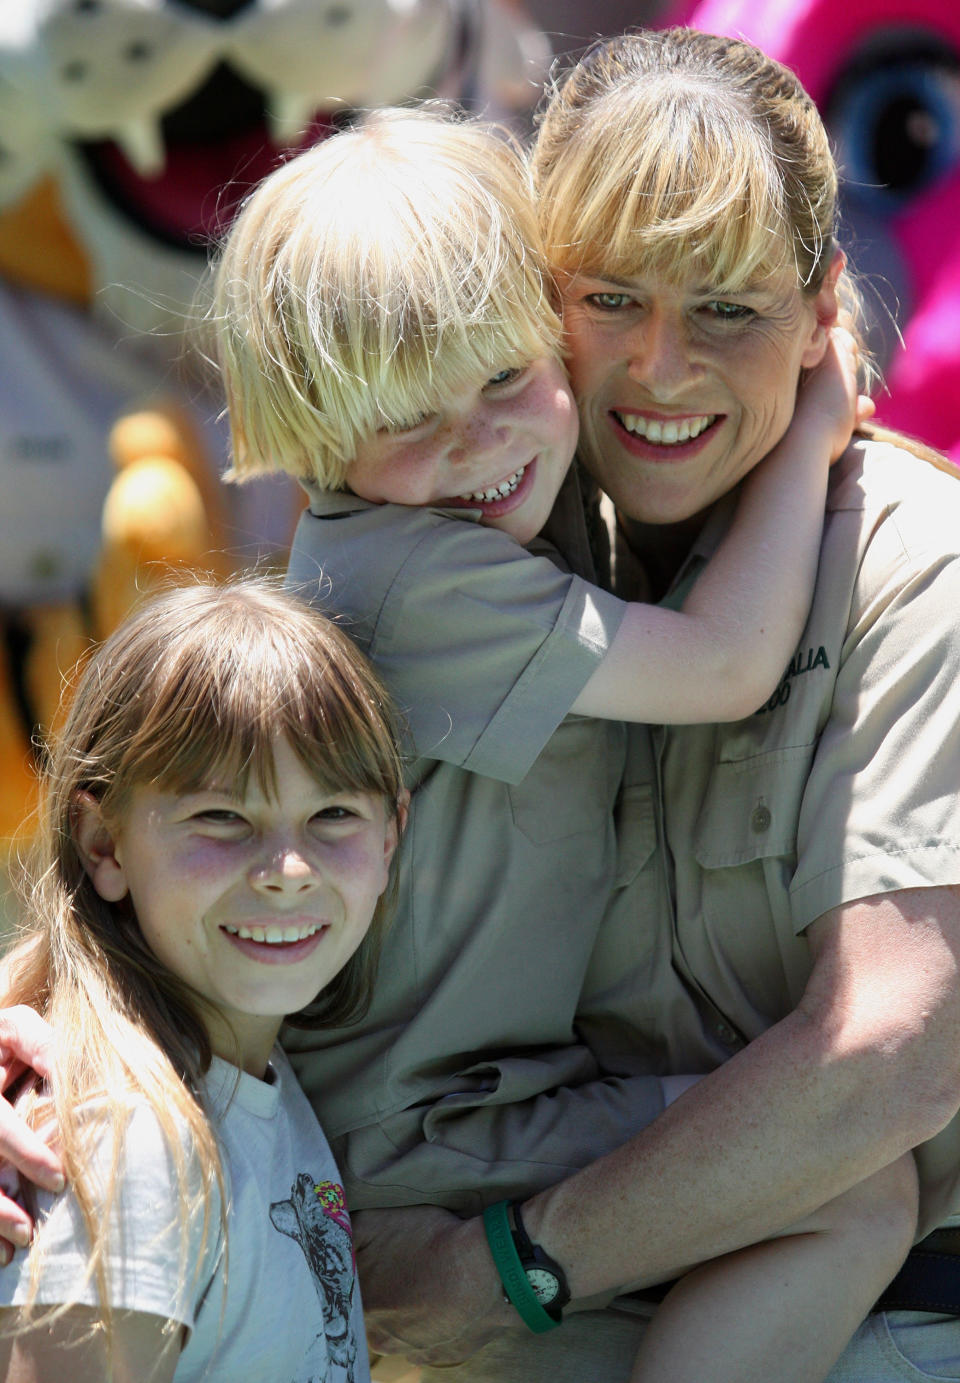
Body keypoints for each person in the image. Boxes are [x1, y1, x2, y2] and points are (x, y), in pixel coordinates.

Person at [0, 61, 943, 1379]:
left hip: (467, 1121)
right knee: (851, 1185)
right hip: (433, 1136)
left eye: (504, 374)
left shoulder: (514, 520)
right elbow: (727, 662)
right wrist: (809, 433)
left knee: (835, 1165)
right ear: (320, 439)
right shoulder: (434, 568)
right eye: (406, 418)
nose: (474, 442)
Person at [0, 579, 406, 1382]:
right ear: (103, 844)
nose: (288, 870)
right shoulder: (129, 1141)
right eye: (221, 817)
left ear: (393, 836)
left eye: (333, 815)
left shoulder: (256, 1078)